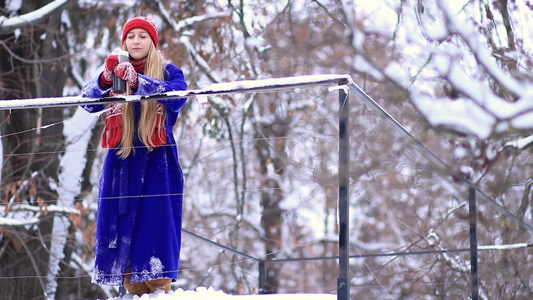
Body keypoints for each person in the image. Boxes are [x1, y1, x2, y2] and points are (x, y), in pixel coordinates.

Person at [80, 16, 187, 296]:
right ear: (124, 42)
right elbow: (86, 102)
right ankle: (133, 292)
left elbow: (178, 97)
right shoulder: (114, 73)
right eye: (131, 36)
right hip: (122, 161)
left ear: (153, 42)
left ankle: (159, 291)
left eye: (143, 36)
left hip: (157, 161)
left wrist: (140, 82)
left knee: (155, 231)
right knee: (123, 235)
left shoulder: (168, 72)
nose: (136, 41)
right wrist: (105, 79)